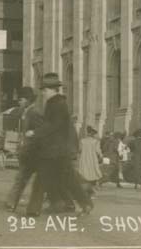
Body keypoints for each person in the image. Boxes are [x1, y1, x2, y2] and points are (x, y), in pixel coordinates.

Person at [27, 73, 92, 215]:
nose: (43, 93)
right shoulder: (57, 103)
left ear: (52, 90)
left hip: (54, 149)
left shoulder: (56, 104)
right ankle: (83, 203)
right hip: (59, 149)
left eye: (44, 90)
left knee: (42, 179)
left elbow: (53, 125)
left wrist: (35, 133)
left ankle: (34, 209)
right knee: (67, 179)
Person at [6, 86, 44, 216]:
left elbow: (41, 131)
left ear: (28, 100)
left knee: (29, 179)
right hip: (27, 152)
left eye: (21, 99)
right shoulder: (26, 112)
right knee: (21, 178)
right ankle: (12, 202)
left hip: (34, 153)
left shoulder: (34, 113)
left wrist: (32, 134)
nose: (19, 102)